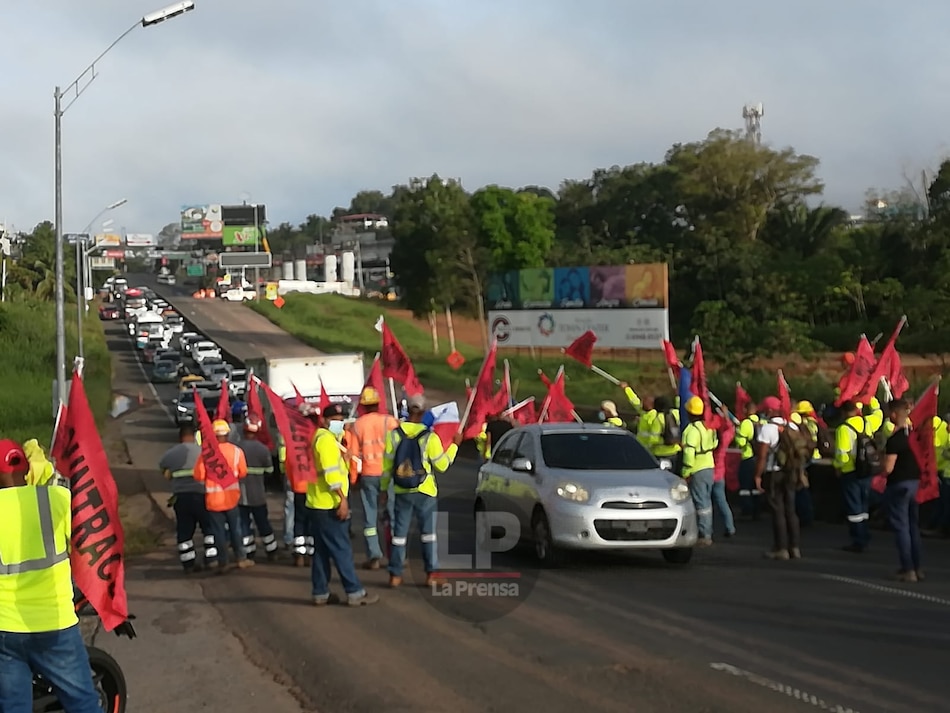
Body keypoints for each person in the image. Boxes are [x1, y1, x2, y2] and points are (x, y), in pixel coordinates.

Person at [0, 439, 103, 712]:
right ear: (26, 469)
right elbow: (90, 542)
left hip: (5, 628)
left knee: (13, 707)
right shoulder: (55, 499)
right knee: (83, 702)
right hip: (54, 623)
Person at [382, 394, 462, 587]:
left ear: (407, 411)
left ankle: (395, 574)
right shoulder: (429, 437)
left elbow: (386, 466)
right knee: (428, 535)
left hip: (401, 490)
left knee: (399, 535)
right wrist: (454, 446)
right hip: (425, 491)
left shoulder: (393, 434)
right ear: (424, 412)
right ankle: (431, 573)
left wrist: (384, 490)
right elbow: (441, 465)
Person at [308, 403, 378, 606]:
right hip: (330, 503)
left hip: (319, 503)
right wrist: (343, 500)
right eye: (335, 419)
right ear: (325, 420)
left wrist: (346, 458)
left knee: (322, 551)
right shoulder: (326, 441)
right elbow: (331, 476)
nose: (338, 422)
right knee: (342, 548)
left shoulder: (327, 439)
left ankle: (320, 592)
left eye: (341, 419)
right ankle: (354, 592)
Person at [348, 387, 399, 569]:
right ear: (378, 404)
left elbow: (353, 456)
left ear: (362, 406)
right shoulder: (391, 422)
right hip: (390, 475)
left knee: (370, 517)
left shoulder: (357, 425)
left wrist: (353, 479)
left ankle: (374, 556)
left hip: (369, 475)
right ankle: (397, 555)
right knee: (394, 515)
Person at [194, 419, 252, 572]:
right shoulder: (237, 452)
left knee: (218, 532)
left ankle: (223, 562)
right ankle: (241, 558)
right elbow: (243, 472)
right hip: (232, 498)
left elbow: (199, 476)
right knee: (236, 529)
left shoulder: (207, 455)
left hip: (213, 501)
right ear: (228, 434)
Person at [159, 425, 216, 573]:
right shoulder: (203, 452)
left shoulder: (170, 454)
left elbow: (163, 469)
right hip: (203, 495)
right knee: (209, 529)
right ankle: (211, 559)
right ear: (194, 436)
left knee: (184, 531)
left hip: (182, 498)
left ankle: (188, 563)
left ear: (180, 437)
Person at [754, 397, 805, 560]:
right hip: (791, 472)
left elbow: (762, 456)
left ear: (769, 411)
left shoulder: (767, 429)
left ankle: (780, 548)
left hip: (774, 473)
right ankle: (794, 547)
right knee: (791, 510)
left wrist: (757, 475)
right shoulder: (792, 425)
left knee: (778, 510)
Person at [882, 399, 923, 582]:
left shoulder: (895, 440)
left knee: (902, 527)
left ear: (893, 415)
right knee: (914, 526)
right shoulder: (916, 436)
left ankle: (908, 569)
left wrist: (880, 465)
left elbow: (888, 468)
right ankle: (917, 567)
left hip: (899, 484)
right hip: (916, 483)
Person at [834, 400, 875, 553]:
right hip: (867, 469)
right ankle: (865, 535)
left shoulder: (843, 429)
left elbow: (842, 454)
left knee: (854, 507)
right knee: (864, 506)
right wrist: (871, 400)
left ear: (844, 412)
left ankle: (858, 539)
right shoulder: (866, 423)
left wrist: (838, 468)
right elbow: (879, 414)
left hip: (851, 471)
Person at [238, 421, 278, 562]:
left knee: (244, 524)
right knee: (263, 523)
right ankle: (271, 550)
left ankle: (249, 552)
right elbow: (269, 471)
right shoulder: (263, 450)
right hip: (258, 494)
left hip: (240, 495)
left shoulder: (237, 448)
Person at [680, 396, 718, 546]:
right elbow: (715, 443)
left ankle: (704, 534)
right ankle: (707, 530)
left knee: (700, 502)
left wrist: (686, 471)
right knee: (707, 501)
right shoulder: (709, 427)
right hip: (709, 467)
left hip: (697, 469)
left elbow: (689, 454)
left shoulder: (691, 430)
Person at [733, 401, 762, 520]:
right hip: (759, 458)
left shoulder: (746, 423)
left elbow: (740, 442)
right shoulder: (762, 422)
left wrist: (737, 432)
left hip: (747, 457)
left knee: (745, 487)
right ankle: (757, 510)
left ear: (746, 410)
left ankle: (747, 510)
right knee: (755, 487)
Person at [711, 411, 736, 539]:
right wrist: (726, 416)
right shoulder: (725, 439)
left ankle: (705, 531)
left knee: (704, 504)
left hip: (706, 472)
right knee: (722, 501)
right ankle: (730, 527)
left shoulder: (709, 439)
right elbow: (731, 428)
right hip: (719, 473)